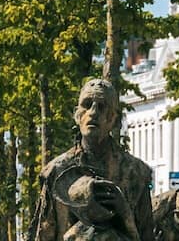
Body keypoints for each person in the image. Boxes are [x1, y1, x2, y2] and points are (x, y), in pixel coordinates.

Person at [32, 80, 155, 241]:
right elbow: (44, 234)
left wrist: (124, 213)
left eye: (102, 107)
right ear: (77, 115)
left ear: (115, 119)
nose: (93, 112)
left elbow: (146, 235)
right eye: (87, 104)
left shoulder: (136, 173)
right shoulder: (56, 171)